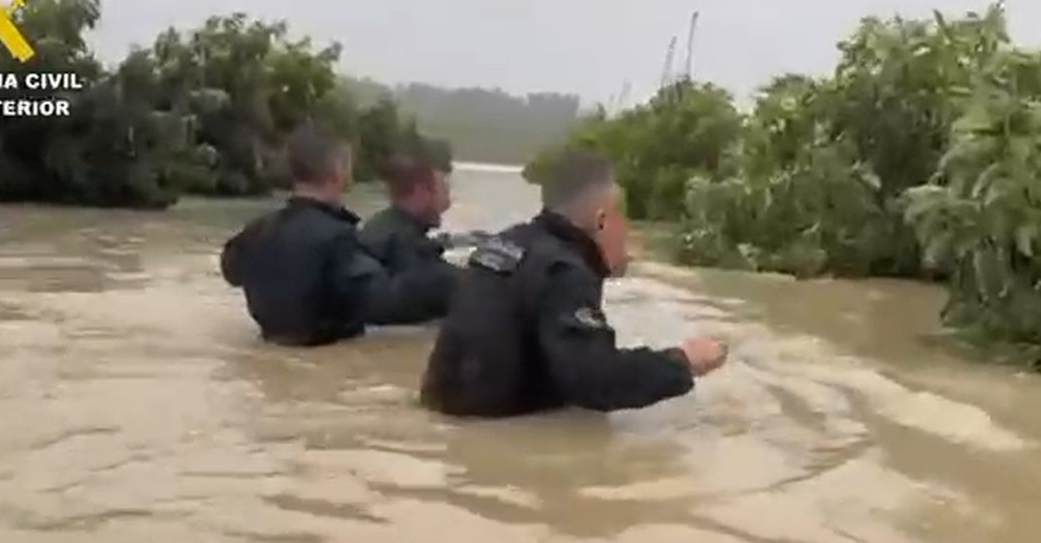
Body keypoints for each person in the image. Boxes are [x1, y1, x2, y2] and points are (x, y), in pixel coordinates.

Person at [420, 149, 729, 417]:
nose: (634, 238)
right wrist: (683, 361)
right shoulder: (565, 272)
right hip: (499, 438)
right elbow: (594, 380)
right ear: (601, 219)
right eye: (627, 223)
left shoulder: (504, 243)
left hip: (444, 415)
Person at [219, 125, 434, 346]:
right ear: (337, 170)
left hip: (268, 354)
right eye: (348, 163)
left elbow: (231, 273)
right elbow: (385, 300)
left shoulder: (255, 231)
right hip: (329, 355)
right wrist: (448, 283)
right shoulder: (339, 238)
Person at [356, 155, 459, 323]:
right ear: (421, 192)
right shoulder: (402, 241)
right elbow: (432, 287)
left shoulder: (381, 226)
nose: (448, 203)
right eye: (444, 191)